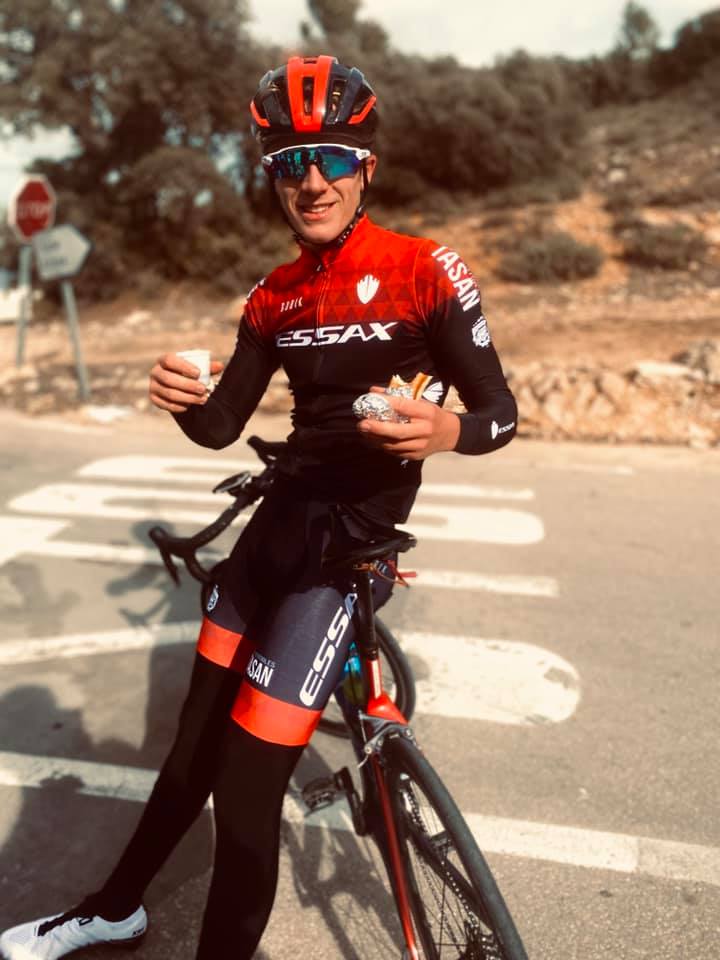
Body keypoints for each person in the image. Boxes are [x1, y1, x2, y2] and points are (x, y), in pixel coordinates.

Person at [0, 54, 517, 960]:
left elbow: (501, 415)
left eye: (331, 159)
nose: (311, 182)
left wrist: (449, 432)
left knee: (245, 792)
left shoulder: (426, 271)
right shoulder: (273, 296)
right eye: (289, 163)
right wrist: (180, 400)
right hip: (272, 536)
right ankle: (116, 907)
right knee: (192, 746)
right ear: (272, 176)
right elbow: (221, 427)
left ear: (365, 168)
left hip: (342, 559)